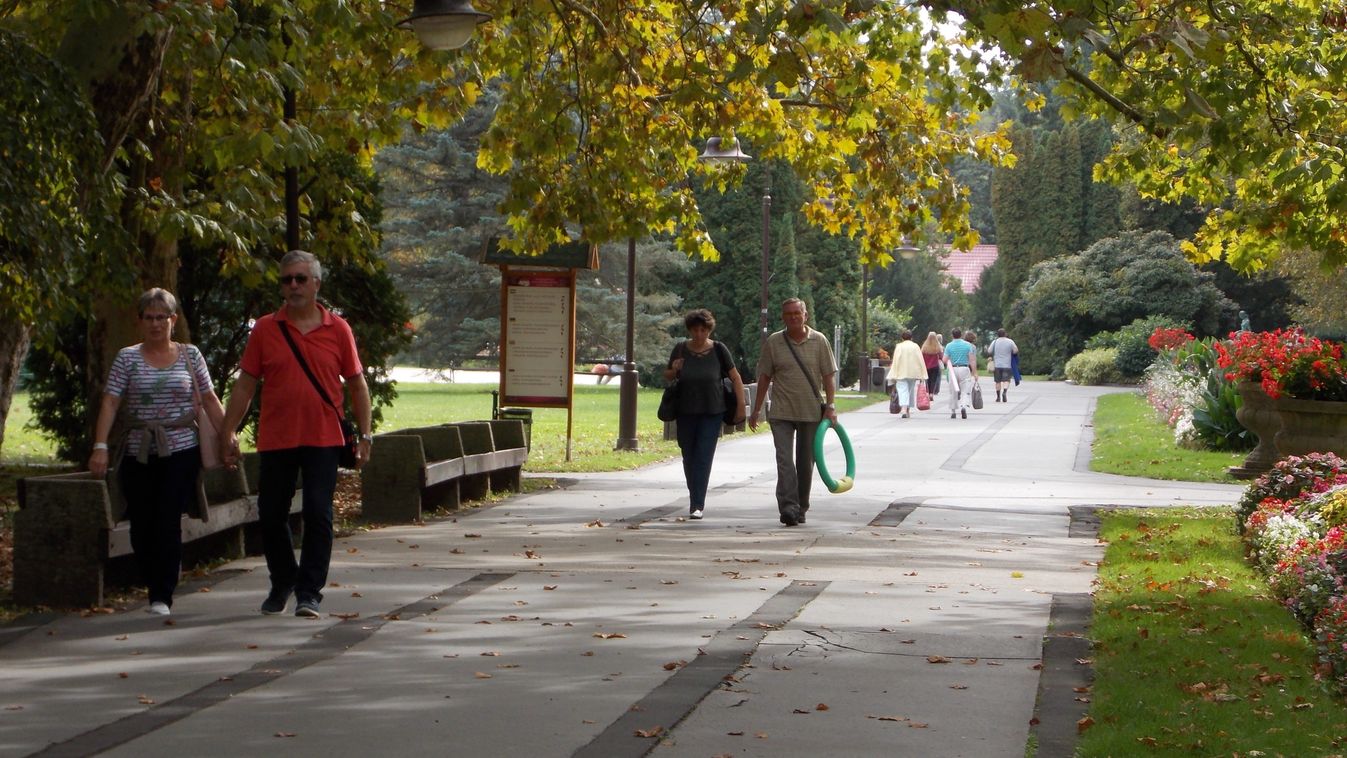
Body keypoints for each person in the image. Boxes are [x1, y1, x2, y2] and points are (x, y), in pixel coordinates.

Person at [220, 250, 373, 618]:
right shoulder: (266, 329)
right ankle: (283, 578)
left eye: (300, 279)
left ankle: (309, 592)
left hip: (323, 437)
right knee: (271, 512)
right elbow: (245, 385)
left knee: (318, 513)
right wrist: (228, 430)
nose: (293, 286)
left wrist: (366, 435)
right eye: (286, 280)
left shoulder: (338, 329)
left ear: (316, 284)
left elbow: (357, 384)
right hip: (277, 437)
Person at [88, 288, 226, 616]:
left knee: (167, 519)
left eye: (161, 317)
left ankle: (161, 594)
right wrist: (100, 445)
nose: (155, 324)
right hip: (138, 451)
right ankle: (153, 580)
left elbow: (208, 398)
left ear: (173, 320)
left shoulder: (190, 355)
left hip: (181, 449)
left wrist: (228, 435)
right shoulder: (127, 358)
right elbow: (110, 402)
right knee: (142, 525)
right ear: (140, 322)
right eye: (149, 318)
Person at [748, 298, 838, 527]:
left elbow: (829, 376)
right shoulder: (774, 342)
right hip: (781, 412)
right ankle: (788, 507)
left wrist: (831, 406)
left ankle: (801, 506)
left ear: (805, 315)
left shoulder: (819, 340)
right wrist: (757, 409)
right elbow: (765, 376)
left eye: (797, 313)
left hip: (810, 412)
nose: (793, 317)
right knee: (784, 460)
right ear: (783, 317)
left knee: (806, 462)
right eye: (788, 314)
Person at [663, 310, 746, 520]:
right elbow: (667, 375)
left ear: (709, 330)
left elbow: (735, 378)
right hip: (685, 411)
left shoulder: (719, 349)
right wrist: (674, 369)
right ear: (689, 330)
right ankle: (695, 495)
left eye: (703, 330)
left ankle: (696, 504)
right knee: (688, 455)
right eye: (695, 330)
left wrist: (741, 406)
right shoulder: (681, 349)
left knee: (703, 456)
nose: (699, 334)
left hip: (712, 411)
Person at [885, 330, 927, 418]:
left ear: (902, 338)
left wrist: (894, 373)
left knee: (902, 390)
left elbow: (896, 360)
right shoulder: (915, 346)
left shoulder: (899, 346)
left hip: (901, 371)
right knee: (909, 391)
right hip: (913, 372)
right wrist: (922, 373)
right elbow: (920, 359)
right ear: (911, 337)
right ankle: (907, 409)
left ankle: (904, 408)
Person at [943, 327, 978, 420]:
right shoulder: (967, 345)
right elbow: (972, 360)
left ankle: (953, 411)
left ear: (952, 335)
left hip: (953, 369)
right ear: (961, 335)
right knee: (965, 390)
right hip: (964, 368)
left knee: (953, 391)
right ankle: (963, 406)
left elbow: (944, 359)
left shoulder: (949, 346)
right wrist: (975, 373)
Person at [986, 328, 1019, 402]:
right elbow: (1016, 350)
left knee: (997, 381)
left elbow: (989, 351)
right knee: (1006, 380)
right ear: (1005, 334)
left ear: (998, 334)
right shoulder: (1010, 341)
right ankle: (1004, 392)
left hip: (997, 365)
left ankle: (998, 397)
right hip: (1007, 364)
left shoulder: (994, 342)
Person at [920, 331, 944, 399]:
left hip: (926, 366)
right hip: (935, 366)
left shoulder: (924, 346)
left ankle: (927, 392)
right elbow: (941, 356)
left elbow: (921, 356)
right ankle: (931, 394)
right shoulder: (937, 346)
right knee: (933, 380)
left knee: (927, 380)